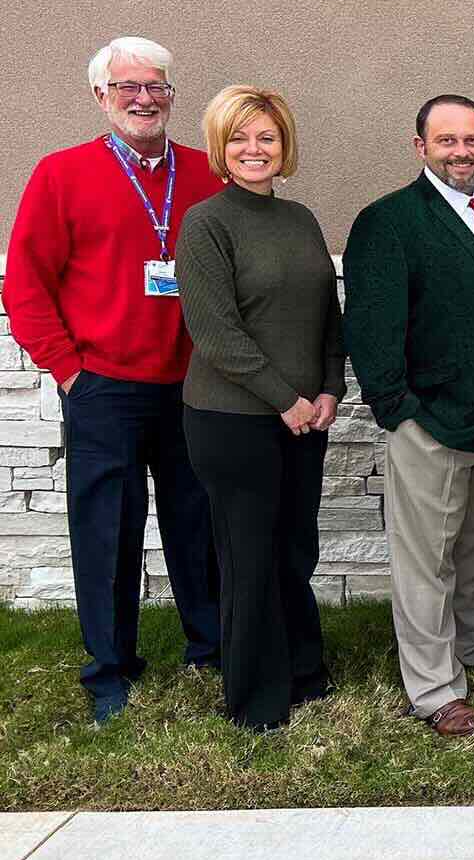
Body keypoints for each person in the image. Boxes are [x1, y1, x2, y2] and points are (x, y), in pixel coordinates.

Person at [3, 37, 220, 723]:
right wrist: (67, 370)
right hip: (104, 386)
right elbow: (27, 284)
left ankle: (211, 648)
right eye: (126, 87)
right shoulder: (61, 174)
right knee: (107, 532)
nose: (143, 98)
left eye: (155, 86)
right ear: (101, 96)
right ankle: (110, 670)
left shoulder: (207, 172)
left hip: (194, 385)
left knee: (200, 526)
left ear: (172, 96)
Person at [344, 95, 474, 739]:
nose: (462, 151)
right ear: (420, 145)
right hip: (430, 419)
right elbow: (371, 328)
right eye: (447, 140)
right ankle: (433, 687)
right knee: (425, 558)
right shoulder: (389, 220)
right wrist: (399, 409)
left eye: (473, 140)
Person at [175, 85, 342, 731]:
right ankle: (256, 700)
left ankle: (304, 672)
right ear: (221, 147)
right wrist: (286, 402)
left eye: (266, 137)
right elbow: (217, 334)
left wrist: (328, 388)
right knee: (249, 558)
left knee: (294, 550)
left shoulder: (300, 218)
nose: (254, 149)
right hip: (232, 420)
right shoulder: (206, 222)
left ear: (284, 145)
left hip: (304, 416)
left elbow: (327, 314)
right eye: (240, 138)